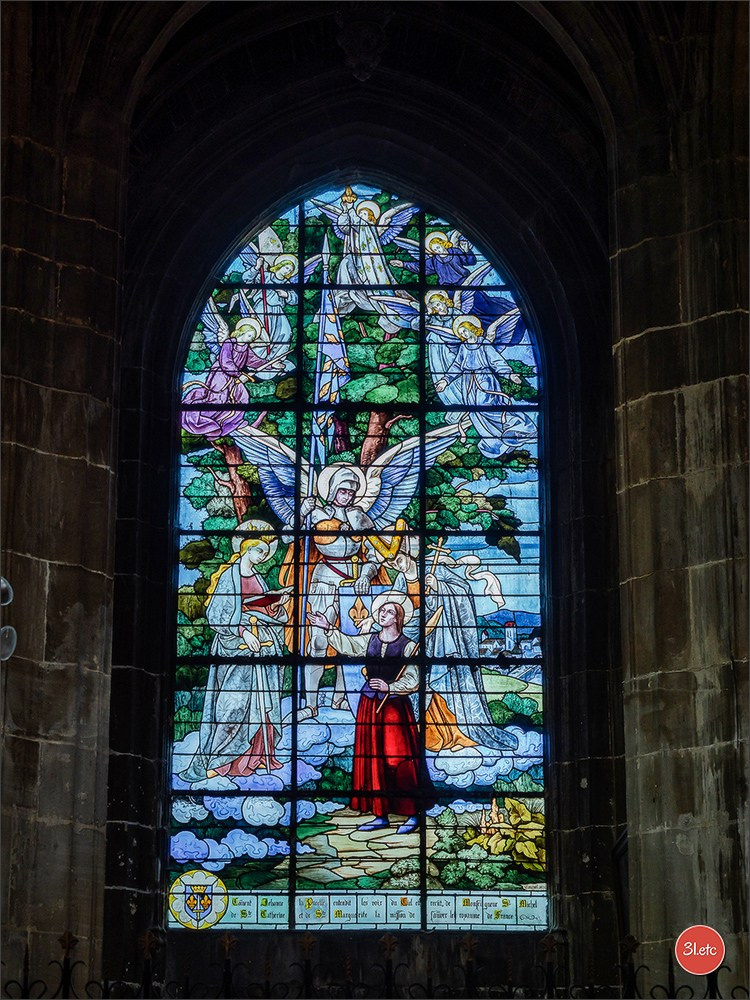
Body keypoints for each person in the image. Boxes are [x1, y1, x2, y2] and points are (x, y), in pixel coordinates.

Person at [307, 592, 434, 833]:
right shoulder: (371, 640)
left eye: (388, 611)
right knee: (373, 759)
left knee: (400, 759)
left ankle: (412, 813)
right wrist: (328, 629)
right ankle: (380, 814)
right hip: (370, 706)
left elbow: (413, 679)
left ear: (398, 617)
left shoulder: (409, 647)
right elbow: (350, 644)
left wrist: (391, 687)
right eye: (381, 611)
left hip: (395, 708)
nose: (382, 614)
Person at [179, 521, 289, 782]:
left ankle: (255, 758)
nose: (263, 557)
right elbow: (217, 615)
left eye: (265, 553)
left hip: (262, 646)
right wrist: (242, 632)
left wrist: (276, 604)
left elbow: (261, 608)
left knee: (262, 705)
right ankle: (221, 762)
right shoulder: (228, 577)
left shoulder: (259, 577)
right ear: (246, 548)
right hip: (235, 648)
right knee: (233, 705)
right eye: (259, 551)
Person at [286, 464, 385, 718]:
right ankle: (310, 705)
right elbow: (288, 537)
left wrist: (366, 573)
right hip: (322, 583)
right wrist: (300, 514)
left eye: (352, 492)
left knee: (348, 643)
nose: (348, 496)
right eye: (343, 491)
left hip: (352, 587)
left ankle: (341, 698)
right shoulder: (316, 514)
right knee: (318, 642)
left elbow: (376, 552)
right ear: (332, 490)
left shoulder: (360, 517)